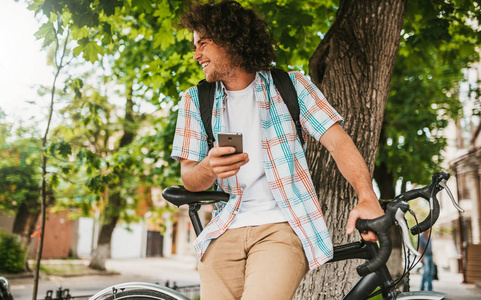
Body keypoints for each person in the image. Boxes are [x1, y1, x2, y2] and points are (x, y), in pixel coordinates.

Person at [171, 1, 384, 299]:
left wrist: (367, 197)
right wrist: (209, 167)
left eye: (203, 44)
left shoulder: (291, 85)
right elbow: (189, 178)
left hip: (282, 226)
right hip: (223, 229)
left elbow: (338, 142)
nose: (196, 55)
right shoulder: (196, 100)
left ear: (231, 38)